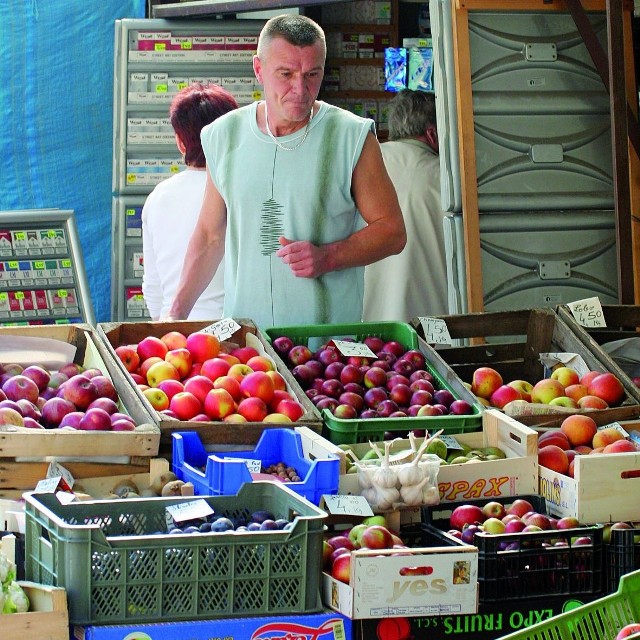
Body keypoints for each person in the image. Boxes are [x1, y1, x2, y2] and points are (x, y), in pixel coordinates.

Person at [166, 14, 406, 328]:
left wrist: (329, 257)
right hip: (248, 345)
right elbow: (211, 236)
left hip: (326, 352)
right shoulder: (223, 135)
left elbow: (392, 231)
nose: (300, 88)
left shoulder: (352, 136)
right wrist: (175, 314)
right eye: (286, 74)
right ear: (258, 69)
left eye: (312, 74)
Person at [141, 82, 238, 320]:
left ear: (180, 142)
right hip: (235, 333)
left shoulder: (158, 197)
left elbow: (152, 289)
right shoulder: (242, 189)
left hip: (174, 333)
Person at [363, 89, 450, 322]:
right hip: (432, 324)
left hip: (366, 323)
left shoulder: (360, 164)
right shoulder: (448, 179)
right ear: (433, 134)